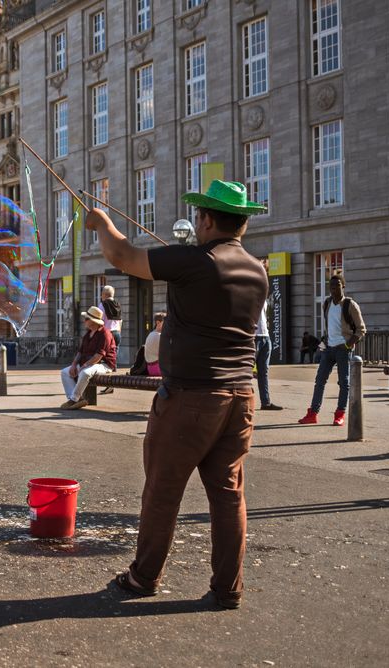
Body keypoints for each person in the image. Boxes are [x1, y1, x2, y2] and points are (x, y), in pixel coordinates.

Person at [87, 179, 268, 610]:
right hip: (241, 395)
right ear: (242, 223)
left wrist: (102, 222)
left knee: (163, 491)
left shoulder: (194, 261)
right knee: (228, 495)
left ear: (205, 219)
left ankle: (142, 578)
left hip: (191, 398)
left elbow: (122, 255)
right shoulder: (256, 269)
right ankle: (228, 588)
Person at [298, 274, 367, 426]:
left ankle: (340, 414)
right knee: (319, 381)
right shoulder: (327, 303)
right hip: (329, 349)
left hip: (343, 349)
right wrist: (324, 346)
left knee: (344, 383)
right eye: (331, 286)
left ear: (343, 286)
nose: (334, 288)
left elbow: (361, 329)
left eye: (337, 285)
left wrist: (348, 345)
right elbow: (329, 327)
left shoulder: (350, 305)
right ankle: (313, 413)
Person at [59, 305, 117, 410]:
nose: (84, 321)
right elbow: (80, 352)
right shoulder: (88, 334)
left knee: (85, 372)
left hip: (104, 364)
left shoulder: (105, 334)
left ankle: (74, 400)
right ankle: (76, 398)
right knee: (65, 372)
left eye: (86, 319)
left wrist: (83, 366)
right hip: (89, 363)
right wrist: (73, 365)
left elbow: (99, 356)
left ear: (93, 321)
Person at [254, 264, 283, 410]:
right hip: (254, 338)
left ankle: (265, 402)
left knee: (263, 372)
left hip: (265, 337)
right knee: (246, 372)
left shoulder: (263, 299)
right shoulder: (249, 295)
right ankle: (243, 402)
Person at [97, 286, 122, 394]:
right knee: (114, 358)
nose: (101, 296)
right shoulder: (117, 304)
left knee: (106, 359)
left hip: (108, 334)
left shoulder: (102, 305)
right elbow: (121, 320)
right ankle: (111, 384)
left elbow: (99, 321)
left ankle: (108, 383)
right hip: (117, 333)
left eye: (102, 293)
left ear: (104, 294)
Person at [142, 312, 165, 377]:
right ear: (158, 322)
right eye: (165, 323)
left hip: (150, 369)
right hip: (159, 369)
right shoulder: (159, 336)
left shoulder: (150, 334)